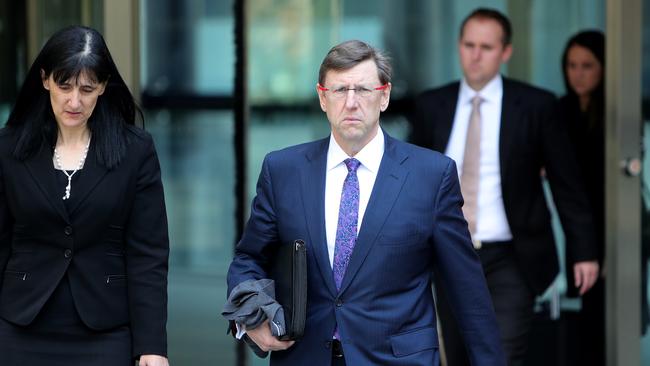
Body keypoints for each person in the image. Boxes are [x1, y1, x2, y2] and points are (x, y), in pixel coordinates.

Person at [226, 40, 505, 366]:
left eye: (363, 89)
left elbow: (466, 287)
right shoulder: (283, 170)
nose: (351, 102)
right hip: (304, 357)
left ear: (384, 96)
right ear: (322, 98)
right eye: (340, 90)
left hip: (397, 359)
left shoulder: (431, 175)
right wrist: (250, 319)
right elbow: (249, 258)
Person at [409, 8, 600, 366]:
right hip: (447, 254)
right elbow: (408, 184)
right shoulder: (432, 105)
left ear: (506, 52)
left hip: (512, 256)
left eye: (486, 46)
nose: (476, 55)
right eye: (469, 45)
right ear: (458, 46)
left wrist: (584, 250)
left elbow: (565, 182)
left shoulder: (535, 106)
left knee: (500, 356)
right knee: (454, 355)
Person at [0, 26, 169, 366]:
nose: (74, 101)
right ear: (45, 79)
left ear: (103, 87)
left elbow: (147, 254)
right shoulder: (8, 148)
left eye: (87, 89)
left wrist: (152, 345)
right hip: (20, 328)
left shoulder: (135, 151)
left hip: (105, 332)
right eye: (64, 86)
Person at [559, 30, 605, 366]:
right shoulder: (560, 111)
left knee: (614, 307)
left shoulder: (617, 112)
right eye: (572, 65)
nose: (579, 73)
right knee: (584, 313)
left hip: (614, 217)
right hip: (576, 219)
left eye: (587, 65)